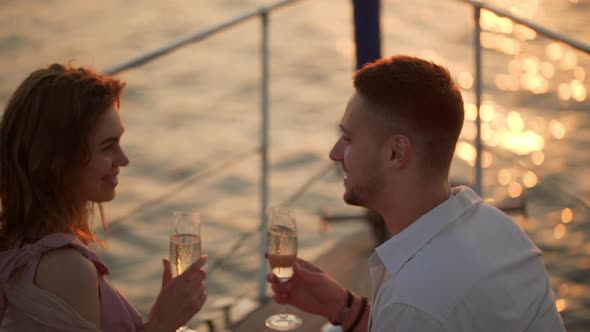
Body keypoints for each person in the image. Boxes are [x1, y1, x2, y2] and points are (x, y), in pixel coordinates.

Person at [268, 55, 565, 331]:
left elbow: (421, 311)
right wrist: (343, 307)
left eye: (348, 138)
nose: (335, 153)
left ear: (396, 152)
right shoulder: (498, 228)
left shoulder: (413, 300)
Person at [0, 64, 207, 331]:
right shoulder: (65, 269)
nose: (124, 160)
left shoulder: (16, 240)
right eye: (108, 146)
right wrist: (162, 323)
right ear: (61, 160)